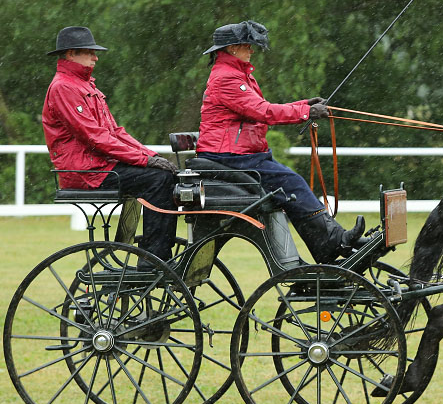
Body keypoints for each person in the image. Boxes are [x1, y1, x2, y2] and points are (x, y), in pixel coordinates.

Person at [196, 20, 365, 263]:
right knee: (291, 183)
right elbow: (263, 112)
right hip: (230, 156)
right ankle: (331, 241)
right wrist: (305, 113)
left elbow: (262, 109)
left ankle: (332, 239)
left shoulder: (236, 74)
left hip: (244, 154)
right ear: (232, 48)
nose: (251, 50)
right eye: (247, 45)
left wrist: (303, 105)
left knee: (290, 185)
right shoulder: (227, 78)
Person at [42, 26, 179, 264]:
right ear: (71, 54)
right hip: (86, 171)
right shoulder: (64, 87)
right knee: (159, 179)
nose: (95, 57)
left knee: (163, 175)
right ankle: (154, 258)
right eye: (89, 52)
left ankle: (156, 254)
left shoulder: (86, 85)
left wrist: (150, 155)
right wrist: (145, 160)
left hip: (100, 166)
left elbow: (115, 132)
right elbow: (93, 137)